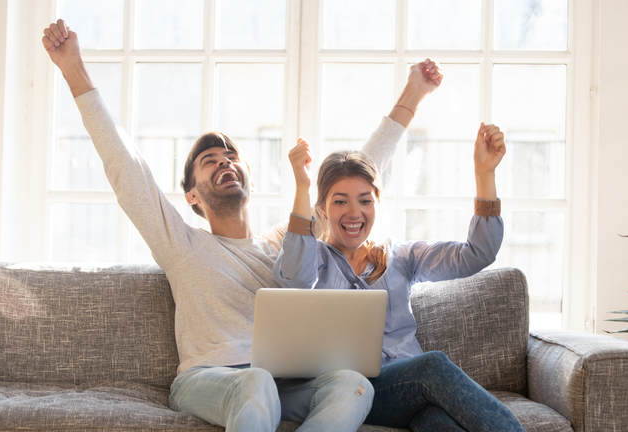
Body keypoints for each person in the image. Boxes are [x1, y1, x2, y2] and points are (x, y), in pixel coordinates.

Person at [41, 19, 444, 432]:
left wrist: (412, 96)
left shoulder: (287, 247)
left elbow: (353, 181)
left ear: (248, 178)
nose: (224, 162)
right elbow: (127, 170)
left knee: (353, 384)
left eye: (230, 156)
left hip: (283, 381)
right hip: (210, 379)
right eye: (209, 161)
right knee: (256, 382)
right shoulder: (182, 244)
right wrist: (74, 69)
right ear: (193, 196)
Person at [273, 125, 527, 431]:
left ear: (377, 204)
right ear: (322, 209)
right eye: (340, 201)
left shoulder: (402, 257)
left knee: (437, 423)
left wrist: (484, 175)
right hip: (353, 394)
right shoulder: (312, 260)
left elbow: (476, 254)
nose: (354, 213)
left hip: (408, 395)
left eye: (365, 200)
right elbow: (294, 282)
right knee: (432, 366)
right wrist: (302, 185)